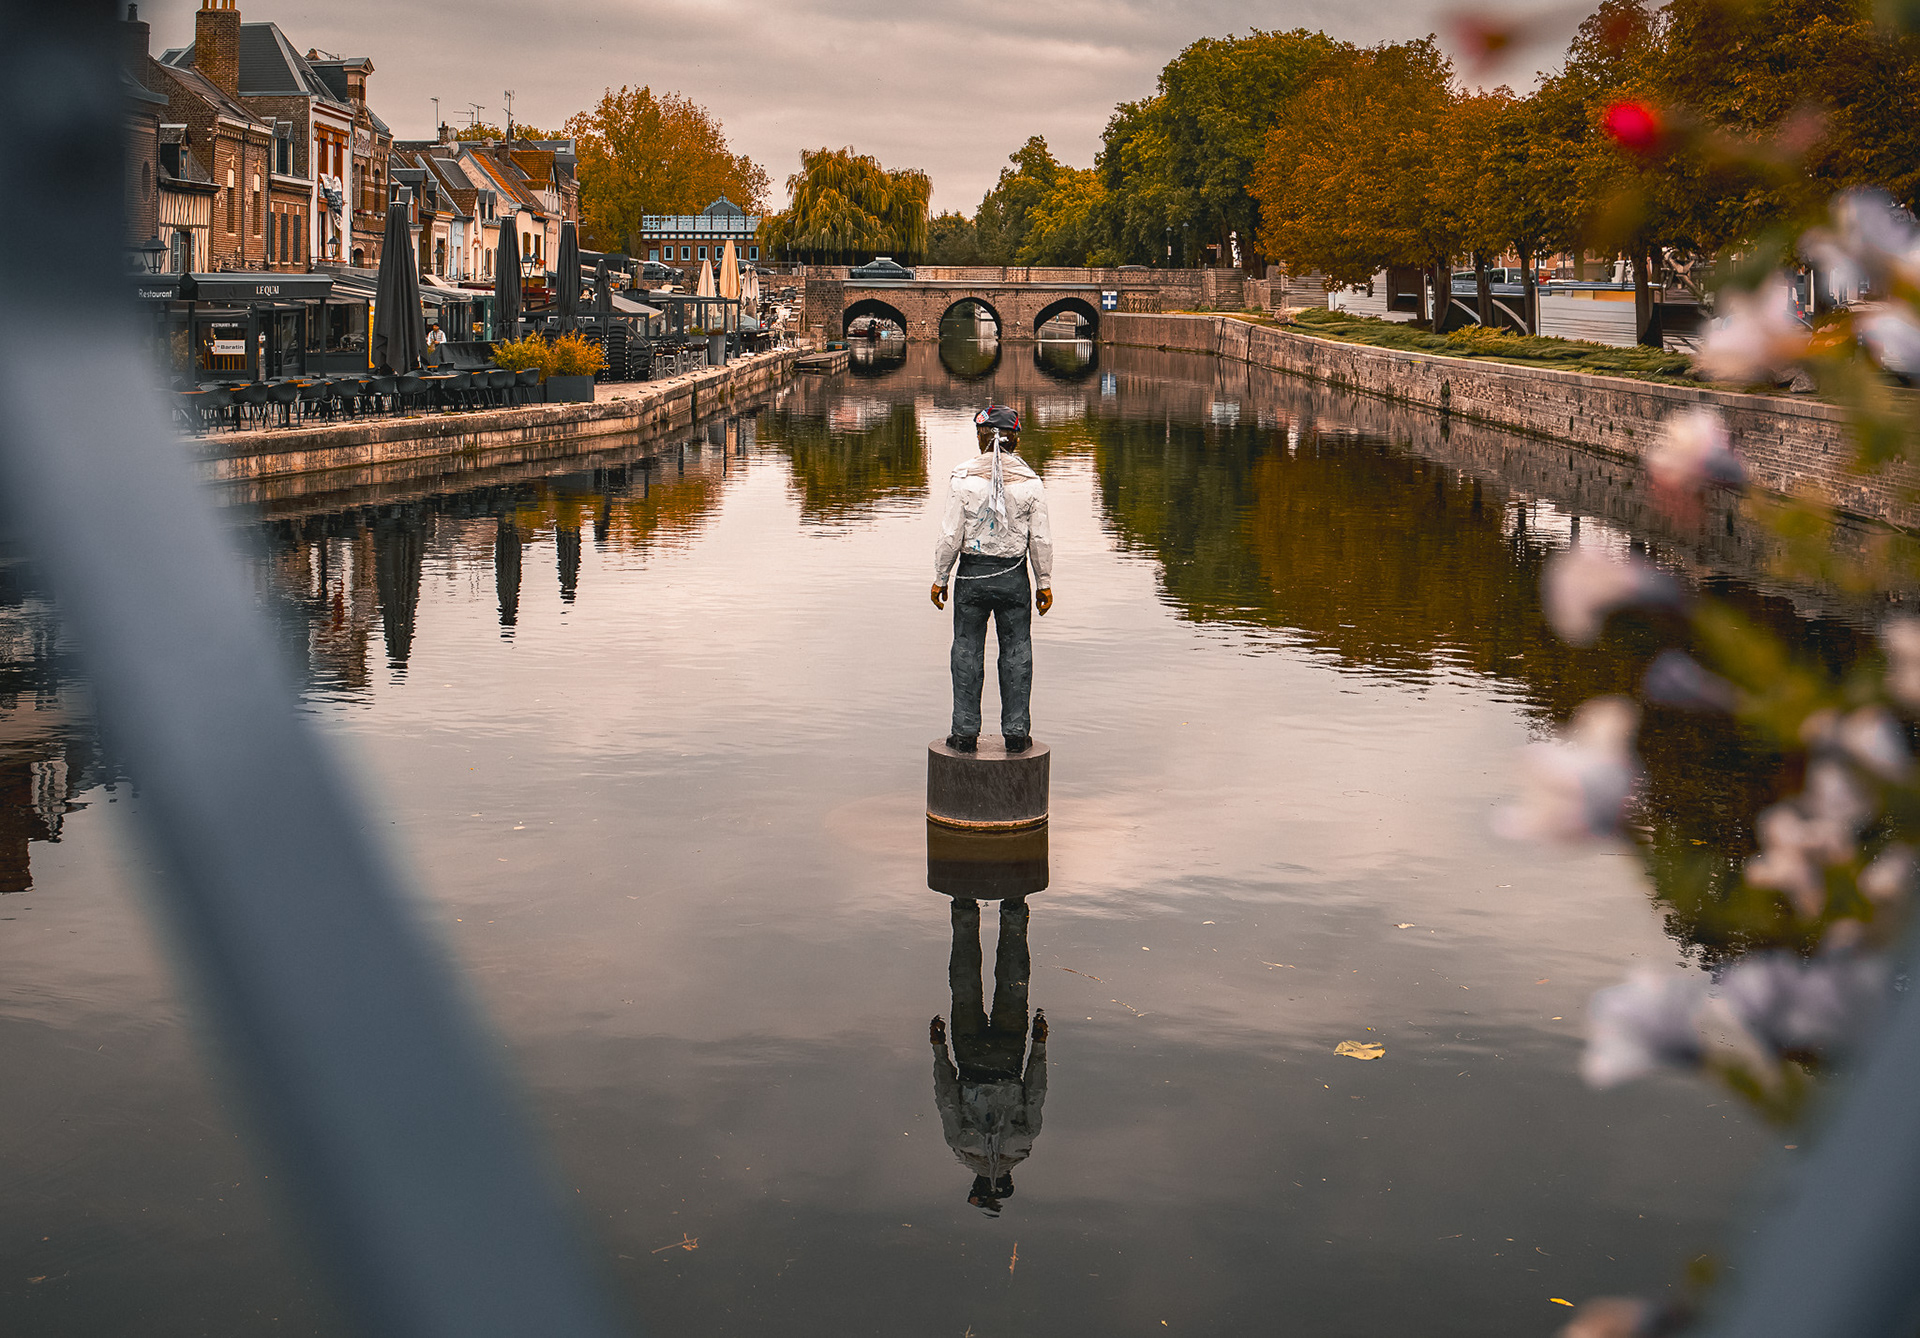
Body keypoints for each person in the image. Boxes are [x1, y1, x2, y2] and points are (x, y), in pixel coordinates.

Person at [931, 405, 1053, 752]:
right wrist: (1043, 582)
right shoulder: (1031, 483)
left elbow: (950, 535)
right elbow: (1040, 539)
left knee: (966, 650)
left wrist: (941, 576)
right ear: (1015, 439)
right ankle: (1016, 733)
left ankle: (965, 731)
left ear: (981, 438)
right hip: (1013, 576)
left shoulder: (963, 479)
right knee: (1017, 650)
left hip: (972, 576)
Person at [930, 897, 1047, 1215]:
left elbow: (1035, 1093)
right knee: (965, 985)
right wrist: (939, 1050)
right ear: (974, 1183)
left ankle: (1013, 907)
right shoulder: (961, 1143)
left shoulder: (1022, 1145)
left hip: (1008, 1058)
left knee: (1014, 986)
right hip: (970, 1058)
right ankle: (964, 908)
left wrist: (1039, 1046)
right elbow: (947, 1098)